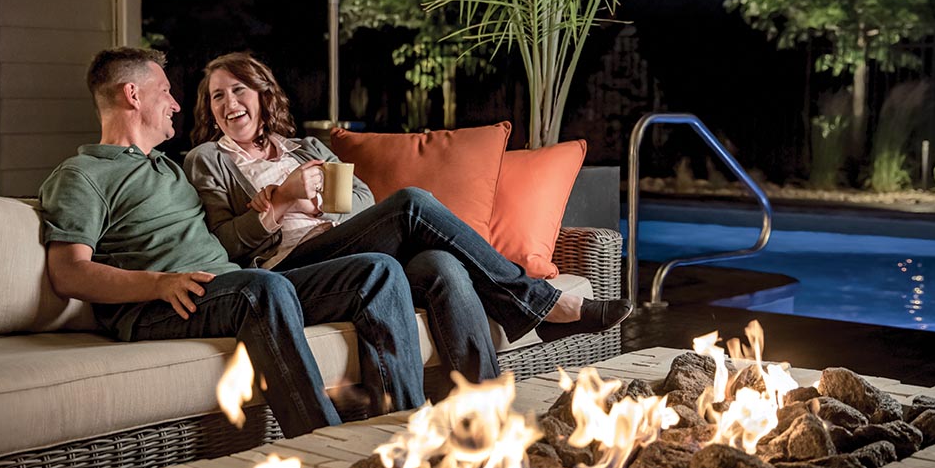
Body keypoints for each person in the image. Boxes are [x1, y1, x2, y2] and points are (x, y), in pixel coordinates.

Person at [38, 47, 427, 437]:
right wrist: (158, 283)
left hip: (230, 289)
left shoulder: (168, 169)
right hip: (163, 303)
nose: (176, 104)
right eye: (165, 91)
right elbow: (68, 272)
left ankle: (403, 436)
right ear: (133, 95)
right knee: (263, 288)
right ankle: (322, 442)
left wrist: (273, 203)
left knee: (377, 271)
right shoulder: (82, 174)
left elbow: (228, 231)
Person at [183, 52, 631, 387]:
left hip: (345, 243)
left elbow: (361, 198)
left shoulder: (307, 148)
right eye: (217, 96)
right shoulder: (207, 160)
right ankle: (540, 302)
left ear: (263, 94)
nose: (229, 103)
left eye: (238, 90)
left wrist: (317, 204)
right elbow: (224, 243)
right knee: (412, 203)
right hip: (291, 266)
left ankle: (483, 406)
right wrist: (280, 203)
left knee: (441, 265)